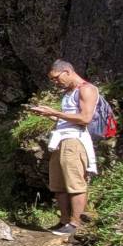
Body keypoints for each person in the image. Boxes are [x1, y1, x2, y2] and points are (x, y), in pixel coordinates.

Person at [29, 59, 99, 236]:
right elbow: (66, 118)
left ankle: (75, 223)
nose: (55, 82)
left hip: (75, 141)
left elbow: (85, 118)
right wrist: (48, 115)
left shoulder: (86, 89)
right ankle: (64, 220)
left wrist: (54, 112)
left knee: (75, 182)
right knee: (58, 184)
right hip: (60, 139)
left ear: (67, 72)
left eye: (56, 78)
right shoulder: (68, 92)